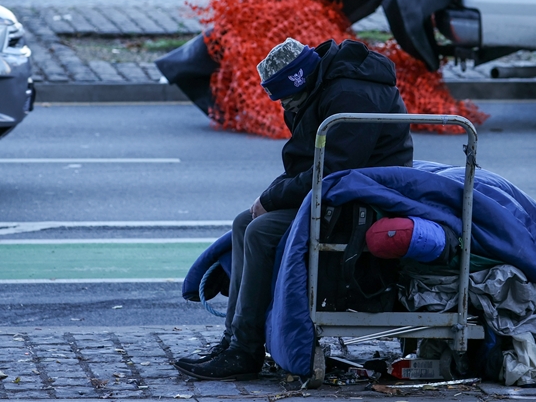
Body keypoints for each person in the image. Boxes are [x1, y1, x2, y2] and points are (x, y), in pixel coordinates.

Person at [174, 37, 413, 381]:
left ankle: (246, 350)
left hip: (363, 202)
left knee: (260, 231)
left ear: (300, 81)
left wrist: (271, 199)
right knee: (244, 222)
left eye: (287, 98)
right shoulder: (323, 85)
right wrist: (270, 196)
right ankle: (234, 339)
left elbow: (331, 171)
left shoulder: (349, 95)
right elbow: (308, 165)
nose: (285, 105)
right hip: (342, 191)